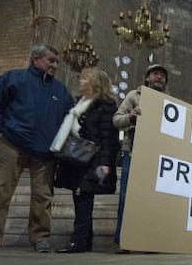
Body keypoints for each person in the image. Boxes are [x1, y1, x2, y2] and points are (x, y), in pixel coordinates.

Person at [0, 44, 73, 253]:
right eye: (50, 60)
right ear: (35, 58)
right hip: (11, 143)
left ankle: (40, 238)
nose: (54, 65)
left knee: (43, 197)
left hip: (45, 151)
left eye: (57, 62)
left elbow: (70, 118)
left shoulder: (61, 90)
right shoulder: (13, 78)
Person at [53, 67, 120, 253]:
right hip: (76, 159)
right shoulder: (80, 104)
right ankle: (85, 239)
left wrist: (105, 163)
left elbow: (109, 138)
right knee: (79, 196)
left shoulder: (106, 106)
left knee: (83, 197)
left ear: (94, 83)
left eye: (84, 79)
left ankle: (78, 241)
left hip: (94, 159)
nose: (80, 82)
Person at [113, 64, 168, 253]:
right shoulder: (133, 96)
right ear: (147, 78)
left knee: (154, 199)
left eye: (162, 75)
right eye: (155, 74)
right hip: (134, 153)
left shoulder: (169, 102)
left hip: (158, 155)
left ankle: (150, 240)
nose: (159, 77)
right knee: (127, 198)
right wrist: (130, 117)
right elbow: (116, 120)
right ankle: (123, 240)